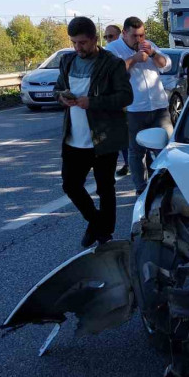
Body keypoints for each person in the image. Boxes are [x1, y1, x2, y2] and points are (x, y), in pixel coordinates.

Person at [55, 17, 133, 248]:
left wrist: (93, 102)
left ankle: (104, 234)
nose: (78, 48)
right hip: (73, 138)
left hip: (103, 138)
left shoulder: (112, 63)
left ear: (94, 40)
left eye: (82, 43)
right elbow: (57, 88)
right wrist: (61, 97)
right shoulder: (67, 61)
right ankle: (96, 221)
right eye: (74, 43)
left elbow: (126, 97)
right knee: (70, 185)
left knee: (104, 188)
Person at [104, 16, 173, 195]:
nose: (139, 40)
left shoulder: (148, 44)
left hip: (159, 106)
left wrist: (153, 54)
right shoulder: (112, 49)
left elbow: (166, 65)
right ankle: (141, 189)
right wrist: (133, 59)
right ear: (124, 33)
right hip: (134, 108)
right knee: (137, 151)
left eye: (142, 35)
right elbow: (111, 73)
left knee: (166, 148)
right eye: (135, 36)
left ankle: (167, 185)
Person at [103, 24, 129, 177]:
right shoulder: (107, 53)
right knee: (120, 134)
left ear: (120, 36)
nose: (107, 40)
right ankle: (127, 163)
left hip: (129, 100)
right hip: (114, 100)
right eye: (106, 37)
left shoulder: (124, 50)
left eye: (110, 36)